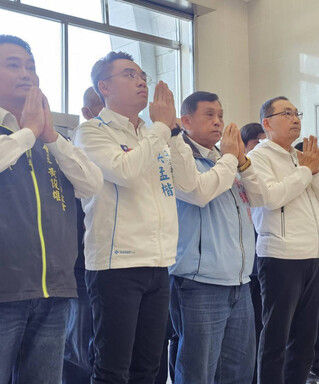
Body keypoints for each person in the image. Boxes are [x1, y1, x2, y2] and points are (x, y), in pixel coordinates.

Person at [74, 51, 198, 384]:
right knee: (113, 368)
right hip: (116, 266)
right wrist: (159, 128)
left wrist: (173, 133)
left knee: (148, 367)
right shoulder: (92, 132)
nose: (141, 81)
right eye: (129, 75)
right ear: (105, 87)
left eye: (142, 74)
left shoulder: (153, 134)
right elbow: (124, 172)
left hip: (158, 263)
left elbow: (188, 185)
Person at [0, 35, 103, 383]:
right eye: (13, 65)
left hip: (54, 291)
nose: (26, 74)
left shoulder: (49, 140)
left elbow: (92, 184)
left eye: (30, 66)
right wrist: (28, 132)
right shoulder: (18, 136)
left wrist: (51, 138)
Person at [169, 91, 266, 384]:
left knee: (239, 372)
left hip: (239, 281)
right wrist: (229, 158)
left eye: (221, 115)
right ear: (186, 121)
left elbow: (261, 198)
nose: (218, 122)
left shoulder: (227, 161)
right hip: (200, 283)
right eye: (209, 115)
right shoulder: (181, 156)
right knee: (198, 372)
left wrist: (240, 161)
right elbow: (199, 193)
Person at [245, 96, 319, 384]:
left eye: (297, 113)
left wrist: (315, 169)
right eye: (287, 113)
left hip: (314, 255)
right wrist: (305, 171)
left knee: (306, 340)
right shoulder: (259, 156)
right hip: (280, 256)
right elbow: (270, 198)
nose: (295, 119)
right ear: (267, 123)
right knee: (275, 339)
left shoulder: (300, 157)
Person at [62, 87, 105, 384]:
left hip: (111, 264)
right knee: (78, 347)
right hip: (79, 266)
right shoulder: (75, 151)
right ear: (87, 113)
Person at [294, 141, 319, 384]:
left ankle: (316, 360)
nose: (317, 159)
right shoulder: (295, 181)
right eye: (311, 155)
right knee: (302, 317)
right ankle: (303, 363)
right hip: (297, 257)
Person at [240, 122, 266, 384]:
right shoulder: (243, 170)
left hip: (258, 264)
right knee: (255, 329)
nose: (262, 145)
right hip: (252, 266)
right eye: (257, 141)